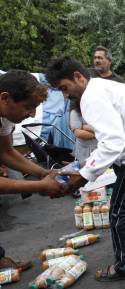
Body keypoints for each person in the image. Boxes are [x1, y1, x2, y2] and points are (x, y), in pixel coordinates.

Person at [46, 56, 125, 282]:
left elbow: (113, 142)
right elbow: (115, 137)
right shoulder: (107, 88)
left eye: (64, 89)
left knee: (119, 211)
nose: (66, 96)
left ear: (78, 77)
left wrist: (83, 175)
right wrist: (89, 164)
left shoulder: (91, 96)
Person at [0, 70, 63, 271]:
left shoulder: (5, 116)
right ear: (4, 98)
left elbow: (6, 152)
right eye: (28, 107)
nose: (32, 114)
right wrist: (39, 186)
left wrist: (41, 173)